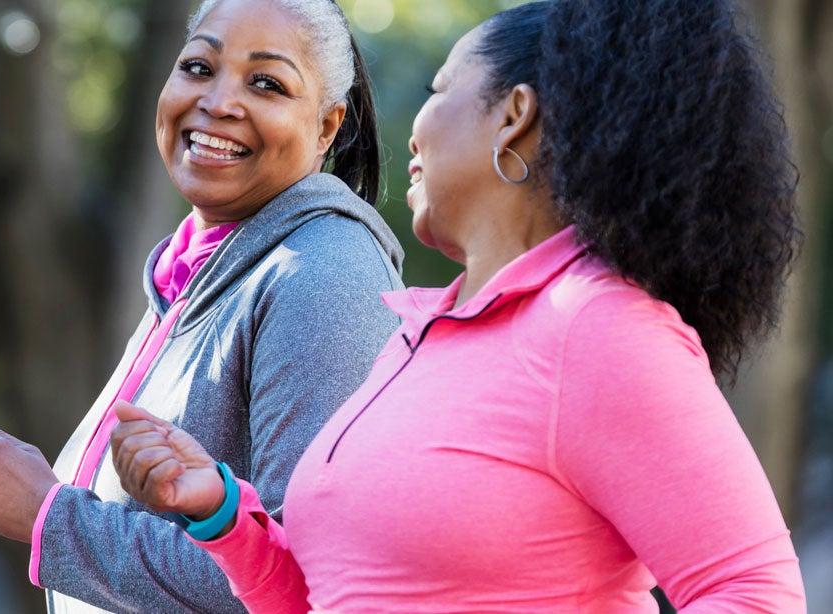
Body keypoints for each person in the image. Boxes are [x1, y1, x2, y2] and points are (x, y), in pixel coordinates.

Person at [111, 0, 807, 611]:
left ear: (514, 117)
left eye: (439, 89)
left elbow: (756, 593)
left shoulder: (597, 326)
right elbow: (332, 597)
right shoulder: (419, 339)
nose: (412, 131)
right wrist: (224, 514)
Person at [0, 0, 405, 611]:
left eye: (267, 83)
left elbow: (299, 581)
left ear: (326, 127)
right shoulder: (196, 266)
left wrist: (49, 515)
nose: (218, 102)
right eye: (198, 67)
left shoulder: (321, 271)